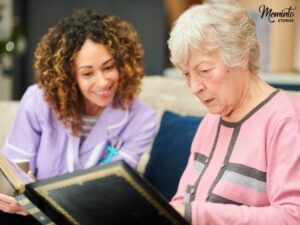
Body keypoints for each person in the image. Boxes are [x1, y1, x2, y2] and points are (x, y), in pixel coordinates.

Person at [0, 9, 156, 216]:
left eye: (108, 67)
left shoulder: (142, 118)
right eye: (87, 73)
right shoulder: (37, 100)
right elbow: (15, 167)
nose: (102, 82)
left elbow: (111, 190)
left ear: (123, 64)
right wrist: (23, 198)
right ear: (68, 76)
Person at [167, 0, 300, 224]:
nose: (194, 86)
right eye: (186, 74)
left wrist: (196, 215)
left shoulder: (286, 118)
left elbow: (292, 216)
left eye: (204, 70)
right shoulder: (210, 122)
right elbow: (183, 201)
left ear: (241, 55)